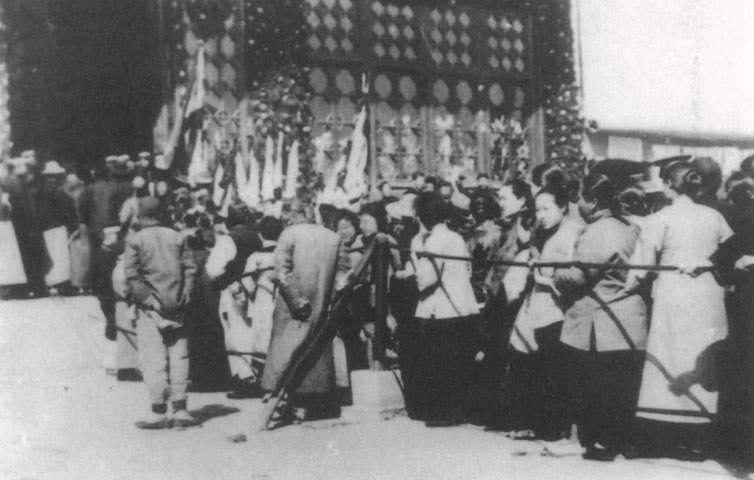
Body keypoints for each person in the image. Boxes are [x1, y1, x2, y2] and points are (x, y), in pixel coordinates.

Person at [631, 161, 732, 460]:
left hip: (674, 295)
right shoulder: (714, 216)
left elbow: (640, 268)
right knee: (701, 359)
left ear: (668, 186)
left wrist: (628, 285)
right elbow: (729, 252)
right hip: (707, 296)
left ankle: (661, 437)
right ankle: (699, 439)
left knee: (667, 358)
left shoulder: (659, 219)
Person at [553, 169, 648, 461]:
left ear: (593, 202)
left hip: (601, 320)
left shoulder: (599, 231)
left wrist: (556, 271)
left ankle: (597, 442)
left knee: (593, 386)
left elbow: (579, 276)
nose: (577, 204)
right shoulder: (629, 226)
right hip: (628, 318)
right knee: (619, 388)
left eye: (580, 199)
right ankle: (618, 442)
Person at [504, 184, 585, 441]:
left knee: (554, 370)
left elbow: (573, 275)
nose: (541, 215)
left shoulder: (574, 232)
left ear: (563, 207)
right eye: (538, 209)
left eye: (546, 209)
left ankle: (554, 428)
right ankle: (537, 424)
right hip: (538, 304)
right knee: (533, 364)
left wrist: (542, 275)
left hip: (559, 308)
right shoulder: (543, 232)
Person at [261, 200, 349, 423]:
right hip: (323, 305)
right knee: (315, 352)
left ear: (290, 215)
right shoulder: (333, 237)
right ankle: (308, 404)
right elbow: (343, 275)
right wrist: (331, 301)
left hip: (293, 308)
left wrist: (296, 301)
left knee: (286, 353)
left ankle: (285, 402)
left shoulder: (289, 234)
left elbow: (282, 272)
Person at [404, 198, 482, 427]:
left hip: (441, 309)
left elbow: (426, 279)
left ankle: (443, 413)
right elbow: (467, 269)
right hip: (462, 305)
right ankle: (460, 410)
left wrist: (414, 263)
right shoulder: (456, 238)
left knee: (439, 363)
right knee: (458, 362)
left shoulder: (434, 241)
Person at [124, 197, 198, 429]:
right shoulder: (177, 237)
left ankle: (158, 412)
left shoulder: (135, 240)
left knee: (153, 358)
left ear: (139, 215)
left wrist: (148, 300)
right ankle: (181, 409)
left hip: (151, 308)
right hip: (178, 304)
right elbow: (191, 268)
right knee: (179, 357)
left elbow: (131, 276)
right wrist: (186, 293)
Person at [205, 203, 263, 399]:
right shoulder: (257, 237)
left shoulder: (228, 240)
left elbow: (213, 269)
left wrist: (225, 278)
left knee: (236, 334)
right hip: (258, 290)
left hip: (234, 291)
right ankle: (259, 376)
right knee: (256, 332)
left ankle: (245, 380)